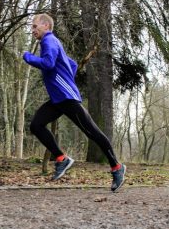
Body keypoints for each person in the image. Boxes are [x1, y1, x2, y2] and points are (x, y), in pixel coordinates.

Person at [23, 13, 126, 192]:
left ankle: (117, 167)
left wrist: (28, 57)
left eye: (34, 26)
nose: (32, 30)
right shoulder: (50, 42)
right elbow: (71, 64)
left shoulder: (49, 41)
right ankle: (62, 159)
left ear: (46, 26)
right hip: (58, 98)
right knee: (36, 125)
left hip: (66, 97)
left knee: (92, 132)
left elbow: (47, 64)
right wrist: (64, 78)